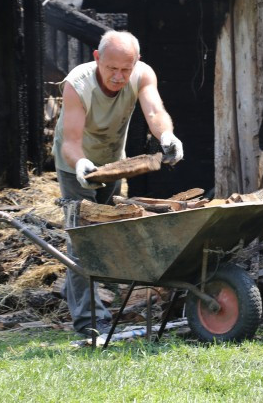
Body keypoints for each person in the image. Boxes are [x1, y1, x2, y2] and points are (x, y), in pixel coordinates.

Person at [52, 30, 184, 336]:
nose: (119, 76)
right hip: (75, 164)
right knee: (82, 238)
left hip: (112, 162)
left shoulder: (142, 73)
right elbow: (70, 142)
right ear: (97, 58)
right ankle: (89, 321)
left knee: (110, 231)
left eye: (126, 69)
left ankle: (104, 300)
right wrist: (82, 163)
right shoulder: (77, 83)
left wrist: (166, 136)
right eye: (112, 68)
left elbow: (154, 110)